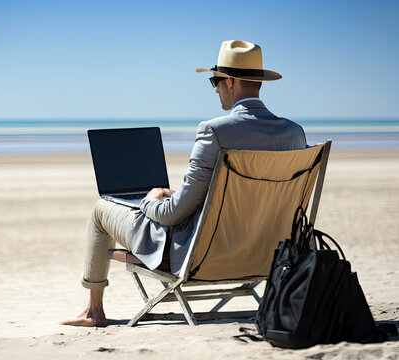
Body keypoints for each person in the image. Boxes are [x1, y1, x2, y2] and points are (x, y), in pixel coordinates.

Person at [61, 40, 307, 327]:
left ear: (229, 81)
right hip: (268, 255)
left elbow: (173, 215)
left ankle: (94, 311)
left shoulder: (214, 131)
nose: (215, 89)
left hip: (204, 256)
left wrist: (150, 200)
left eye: (215, 81)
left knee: (101, 209)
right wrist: (188, 195)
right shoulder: (294, 134)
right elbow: (249, 196)